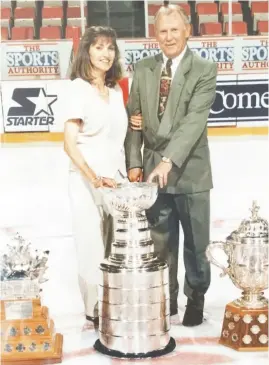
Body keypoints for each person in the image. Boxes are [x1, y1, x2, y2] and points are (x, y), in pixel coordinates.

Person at [125, 4, 217, 327]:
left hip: (190, 170)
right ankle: (167, 297)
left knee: (196, 242)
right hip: (153, 175)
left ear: (187, 30)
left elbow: (194, 122)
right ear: (155, 34)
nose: (168, 37)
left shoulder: (204, 69)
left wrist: (168, 160)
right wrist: (135, 162)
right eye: (162, 31)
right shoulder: (144, 69)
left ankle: (196, 298)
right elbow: (133, 121)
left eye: (174, 30)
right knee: (160, 243)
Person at [63, 26, 127, 329]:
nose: (106, 53)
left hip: (115, 181)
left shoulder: (115, 92)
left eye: (110, 48)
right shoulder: (78, 88)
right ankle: (93, 309)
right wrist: (93, 177)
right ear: (87, 51)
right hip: (86, 180)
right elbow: (70, 144)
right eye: (99, 47)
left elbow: (118, 136)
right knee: (91, 246)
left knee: (116, 247)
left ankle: (114, 300)